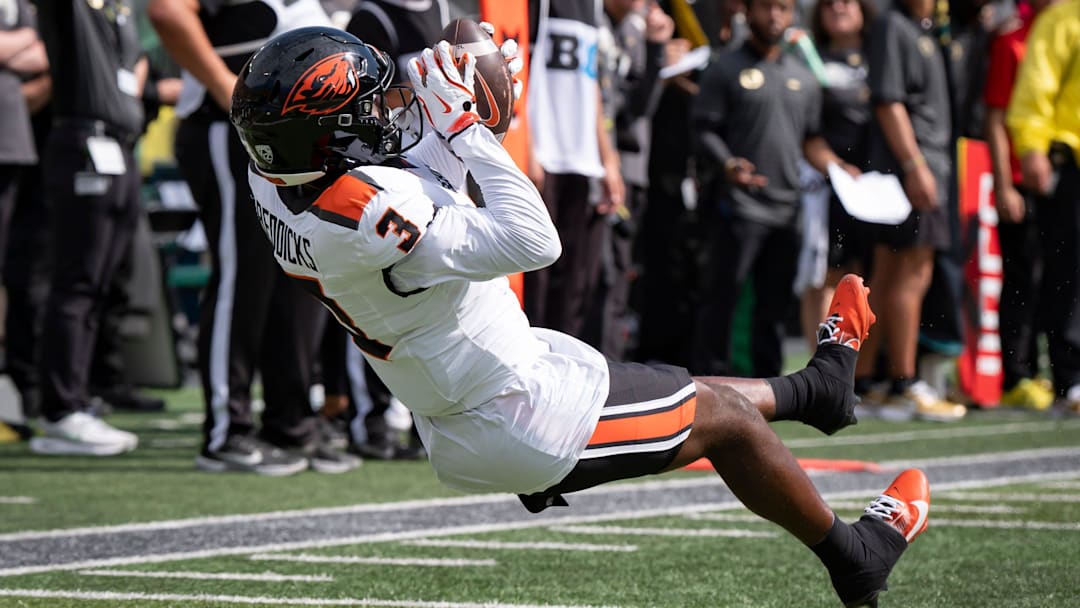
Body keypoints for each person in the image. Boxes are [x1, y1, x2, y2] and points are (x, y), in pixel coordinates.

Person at [230, 26, 932, 606]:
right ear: (332, 137)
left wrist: (460, 65)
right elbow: (537, 242)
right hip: (518, 412)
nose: (389, 113)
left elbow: (386, 146)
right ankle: (856, 556)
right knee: (727, 424)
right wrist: (472, 126)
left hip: (480, 381)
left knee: (689, 392)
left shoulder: (277, 175)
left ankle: (819, 388)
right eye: (372, 110)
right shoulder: (369, 215)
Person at [148, 0, 359, 474]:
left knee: (300, 271)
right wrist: (226, 88)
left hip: (295, 135)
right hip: (230, 129)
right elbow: (166, 11)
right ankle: (229, 430)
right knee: (242, 276)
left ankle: (291, 423)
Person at [689, 0, 858, 378]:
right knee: (722, 301)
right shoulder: (725, 68)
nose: (774, 16)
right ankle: (710, 385)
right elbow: (703, 129)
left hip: (788, 210)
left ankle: (768, 392)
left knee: (774, 308)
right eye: (766, 7)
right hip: (738, 207)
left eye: (782, 8)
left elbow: (811, 140)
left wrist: (840, 167)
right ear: (748, 12)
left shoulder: (803, 75)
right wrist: (728, 164)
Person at [30, 0, 149, 455]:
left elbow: (135, 63)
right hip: (85, 142)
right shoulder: (74, 9)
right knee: (76, 283)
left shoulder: (118, 10)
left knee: (98, 285)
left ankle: (76, 398)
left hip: (118, 147)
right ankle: (60, 410)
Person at [856, 0, 968, 422]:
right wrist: (915, 165)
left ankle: (866, 384)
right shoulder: (893, 24)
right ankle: (903, 382)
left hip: (923, 166)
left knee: (889, 275)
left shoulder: (925, 27)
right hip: (914, 168)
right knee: (910, 275)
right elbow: (888, 101)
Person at [1006, 0, 1080, 413]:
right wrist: (1032, 146)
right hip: (1071, 164)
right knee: (1069, 274)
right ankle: (1071, 377)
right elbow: (1035, 90)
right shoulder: (1062, 18)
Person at [984, 0, 1058, 411]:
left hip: (1063, 181)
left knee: (1061, 279)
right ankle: (1019, 374)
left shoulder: (1067, 33)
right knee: (1022, 279)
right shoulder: (1010, 40)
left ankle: (1058, 374)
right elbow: (995, 117)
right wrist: (1002, 184)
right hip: (1017, 177)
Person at [795, 0, 875, 351]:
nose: (838, 7)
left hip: (878, 189)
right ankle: (823, 367)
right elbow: (806, 133)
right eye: (828, 3)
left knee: (868, 276)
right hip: (828, 186)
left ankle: (864, 371)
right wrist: (837, 168)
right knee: (826, 276)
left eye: (847, 1)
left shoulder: (881, 56)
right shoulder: (809, 58)